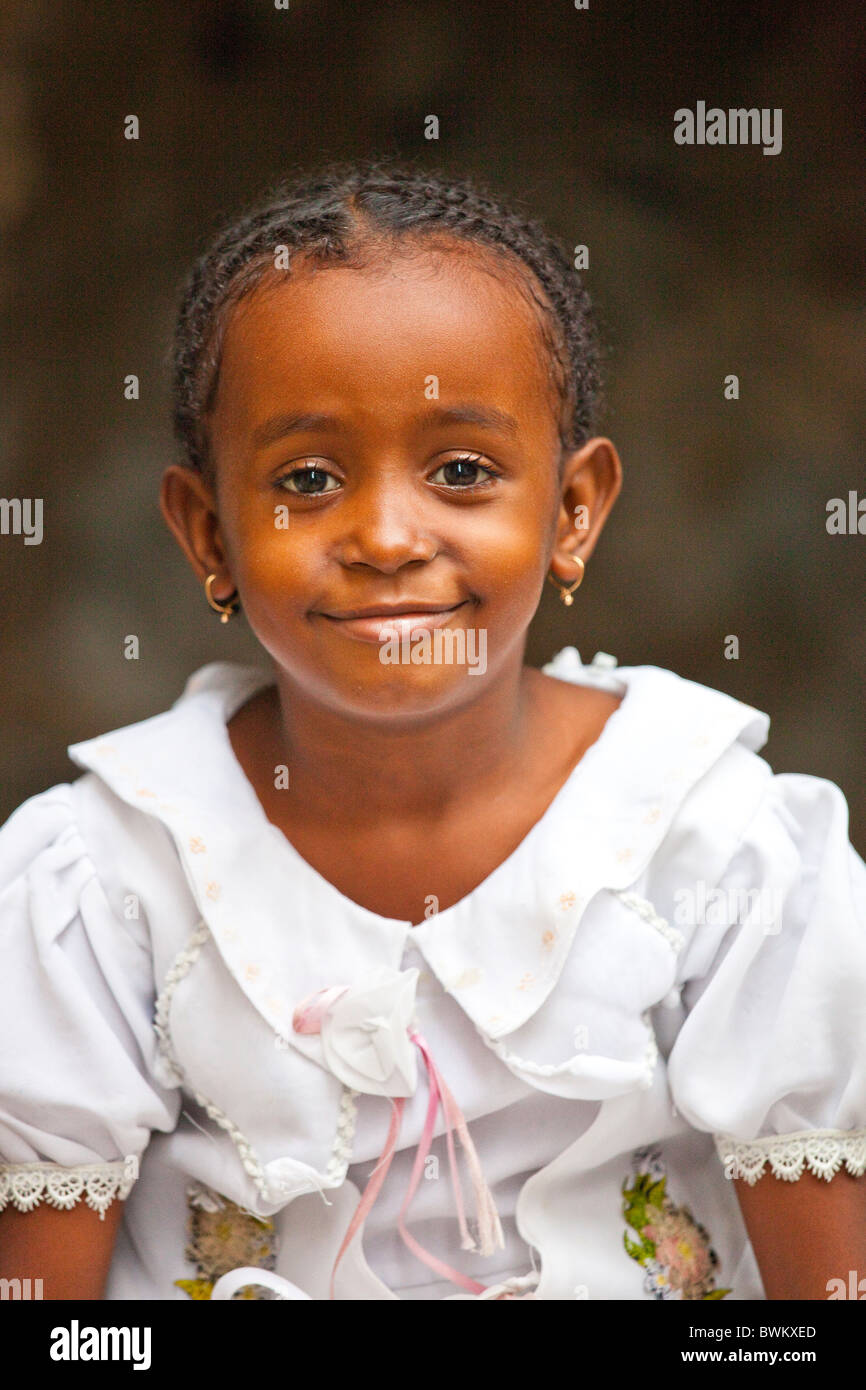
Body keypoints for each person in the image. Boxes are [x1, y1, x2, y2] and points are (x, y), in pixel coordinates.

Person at [1, 160, 864, 1302]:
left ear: (571, 511)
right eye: (307, 479)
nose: (387, 536)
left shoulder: (717, 844)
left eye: (461, 470)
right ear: (206, 530)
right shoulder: (103, 881)